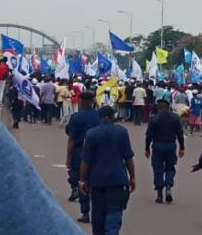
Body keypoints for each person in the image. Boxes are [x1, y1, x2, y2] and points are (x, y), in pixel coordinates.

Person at [79, 106, 136, 235]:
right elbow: (128, 158)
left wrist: (82, 180)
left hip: (97, 181)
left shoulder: (91, 134)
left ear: (100, 118)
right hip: (117, 180)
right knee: (114, 212)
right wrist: (132, 177)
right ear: (112, 116)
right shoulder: (122, 132)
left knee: (98, 214)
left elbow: (86, 160)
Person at [65, 91, 101, 222]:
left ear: (80, 101)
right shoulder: (99, 116)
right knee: (96, 181)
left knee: (81, 180)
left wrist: (68, 157)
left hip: (80, 152)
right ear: (92, 101)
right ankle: (97, 211)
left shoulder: (76, 117)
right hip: (97, 153)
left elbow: (71, 139)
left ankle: (85, 212)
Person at [144, 99, 185, 204]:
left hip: (157, 146)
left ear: (159, 107)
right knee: (170, 168)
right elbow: (180, 134)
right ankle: (168, 186)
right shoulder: (175, 118)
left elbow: (149, 135)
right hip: (171, 146)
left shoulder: (154, 119)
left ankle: (159, 193)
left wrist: (147, 148)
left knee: (158, 168)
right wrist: (182, 147)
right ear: (168, 107)